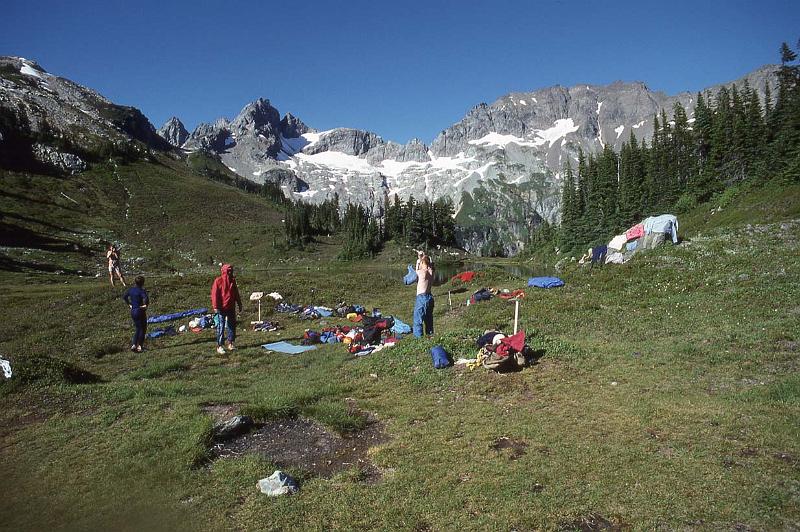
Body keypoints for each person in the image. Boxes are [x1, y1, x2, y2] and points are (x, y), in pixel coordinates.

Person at [211, 264, 242, 355]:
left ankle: (230, 343)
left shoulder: (233, 281)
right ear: (224, 271)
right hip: (221, 308)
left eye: (231, 271)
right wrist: (216, 307)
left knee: (231, 325)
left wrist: (239, 304)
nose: (230, 272)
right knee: (220, 326)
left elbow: (236, 293)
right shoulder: (218, 281)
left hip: (231, 307)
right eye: (228, 271)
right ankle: (219, 346)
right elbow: (214, 294)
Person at [122, 276, 148, 352]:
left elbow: (124, 297)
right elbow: (145, 298)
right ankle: (140, 346)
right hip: (140, 310)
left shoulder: (131, 289)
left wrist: (129, 304)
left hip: (133, 310)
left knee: (138, 328)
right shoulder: (141, 291)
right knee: (143, 329)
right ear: (143, 283)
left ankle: (134, 344)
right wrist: (145, 305)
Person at [413, 251, 435, 337]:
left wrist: (419, 259)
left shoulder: (422, 272)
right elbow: (430, 264)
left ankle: (418, 340)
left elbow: (416, 270)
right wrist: (423, 258)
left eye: (422, 263)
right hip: (430, 297)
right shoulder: (431, 271)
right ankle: (430, 337)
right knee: (428, 320)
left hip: (421, 298)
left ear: (423, 263)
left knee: (418, 321)